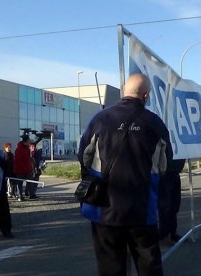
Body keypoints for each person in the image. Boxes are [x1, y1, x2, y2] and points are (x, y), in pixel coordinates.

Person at [78, 73, 173, 275]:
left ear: (123, 91)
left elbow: (83, 156)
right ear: (146, 95)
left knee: (110, 265)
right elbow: (166, 165)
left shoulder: (101, 118)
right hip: (143, 207)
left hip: (104, 207)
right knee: (149, 264)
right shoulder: (154, 123)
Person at [158, 158, 185, 245]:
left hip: (175, 172)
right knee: (165, 207)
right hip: (164, 174)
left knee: (175, 205)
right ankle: (164, 235)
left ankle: (172, 233)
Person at [13, 135, 33, 201]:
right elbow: (18, 160)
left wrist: (29, 167)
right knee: (20, 183)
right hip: (20, 169)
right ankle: (20, 196)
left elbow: (28, 158)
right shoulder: (18, 149)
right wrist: (24, 167)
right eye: (29, 140)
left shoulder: (27, 148)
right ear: (26, 141)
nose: (30, 141)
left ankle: (30, 194)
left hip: (28, 169)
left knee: (29, 181)